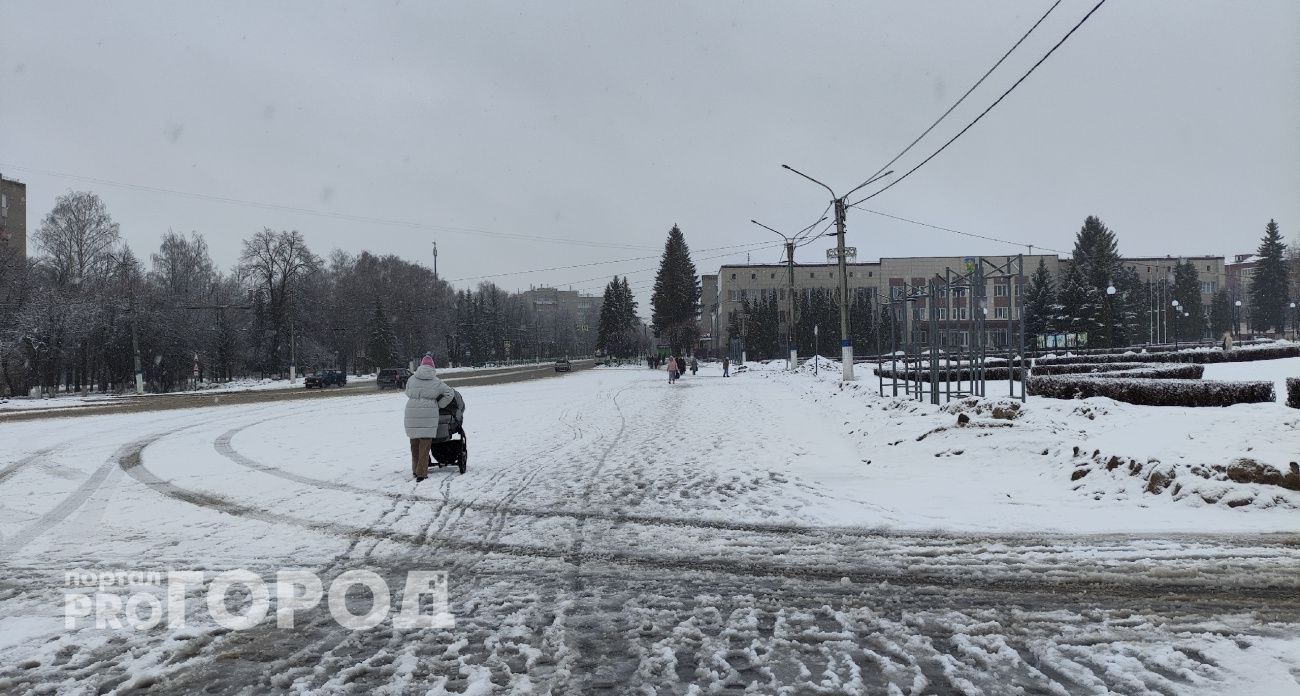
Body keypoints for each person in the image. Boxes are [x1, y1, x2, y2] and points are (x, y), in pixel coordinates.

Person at [404, 354, 455, 481]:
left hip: (412, 412)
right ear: (432, 367)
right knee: (425, 445)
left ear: (421, 366)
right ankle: (421, 473)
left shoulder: (412, 379)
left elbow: (407, 392)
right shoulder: (436, 381)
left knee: (414, 444)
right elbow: (450, 393)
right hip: (428, 413)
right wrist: (439, 404)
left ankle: (415, 470)